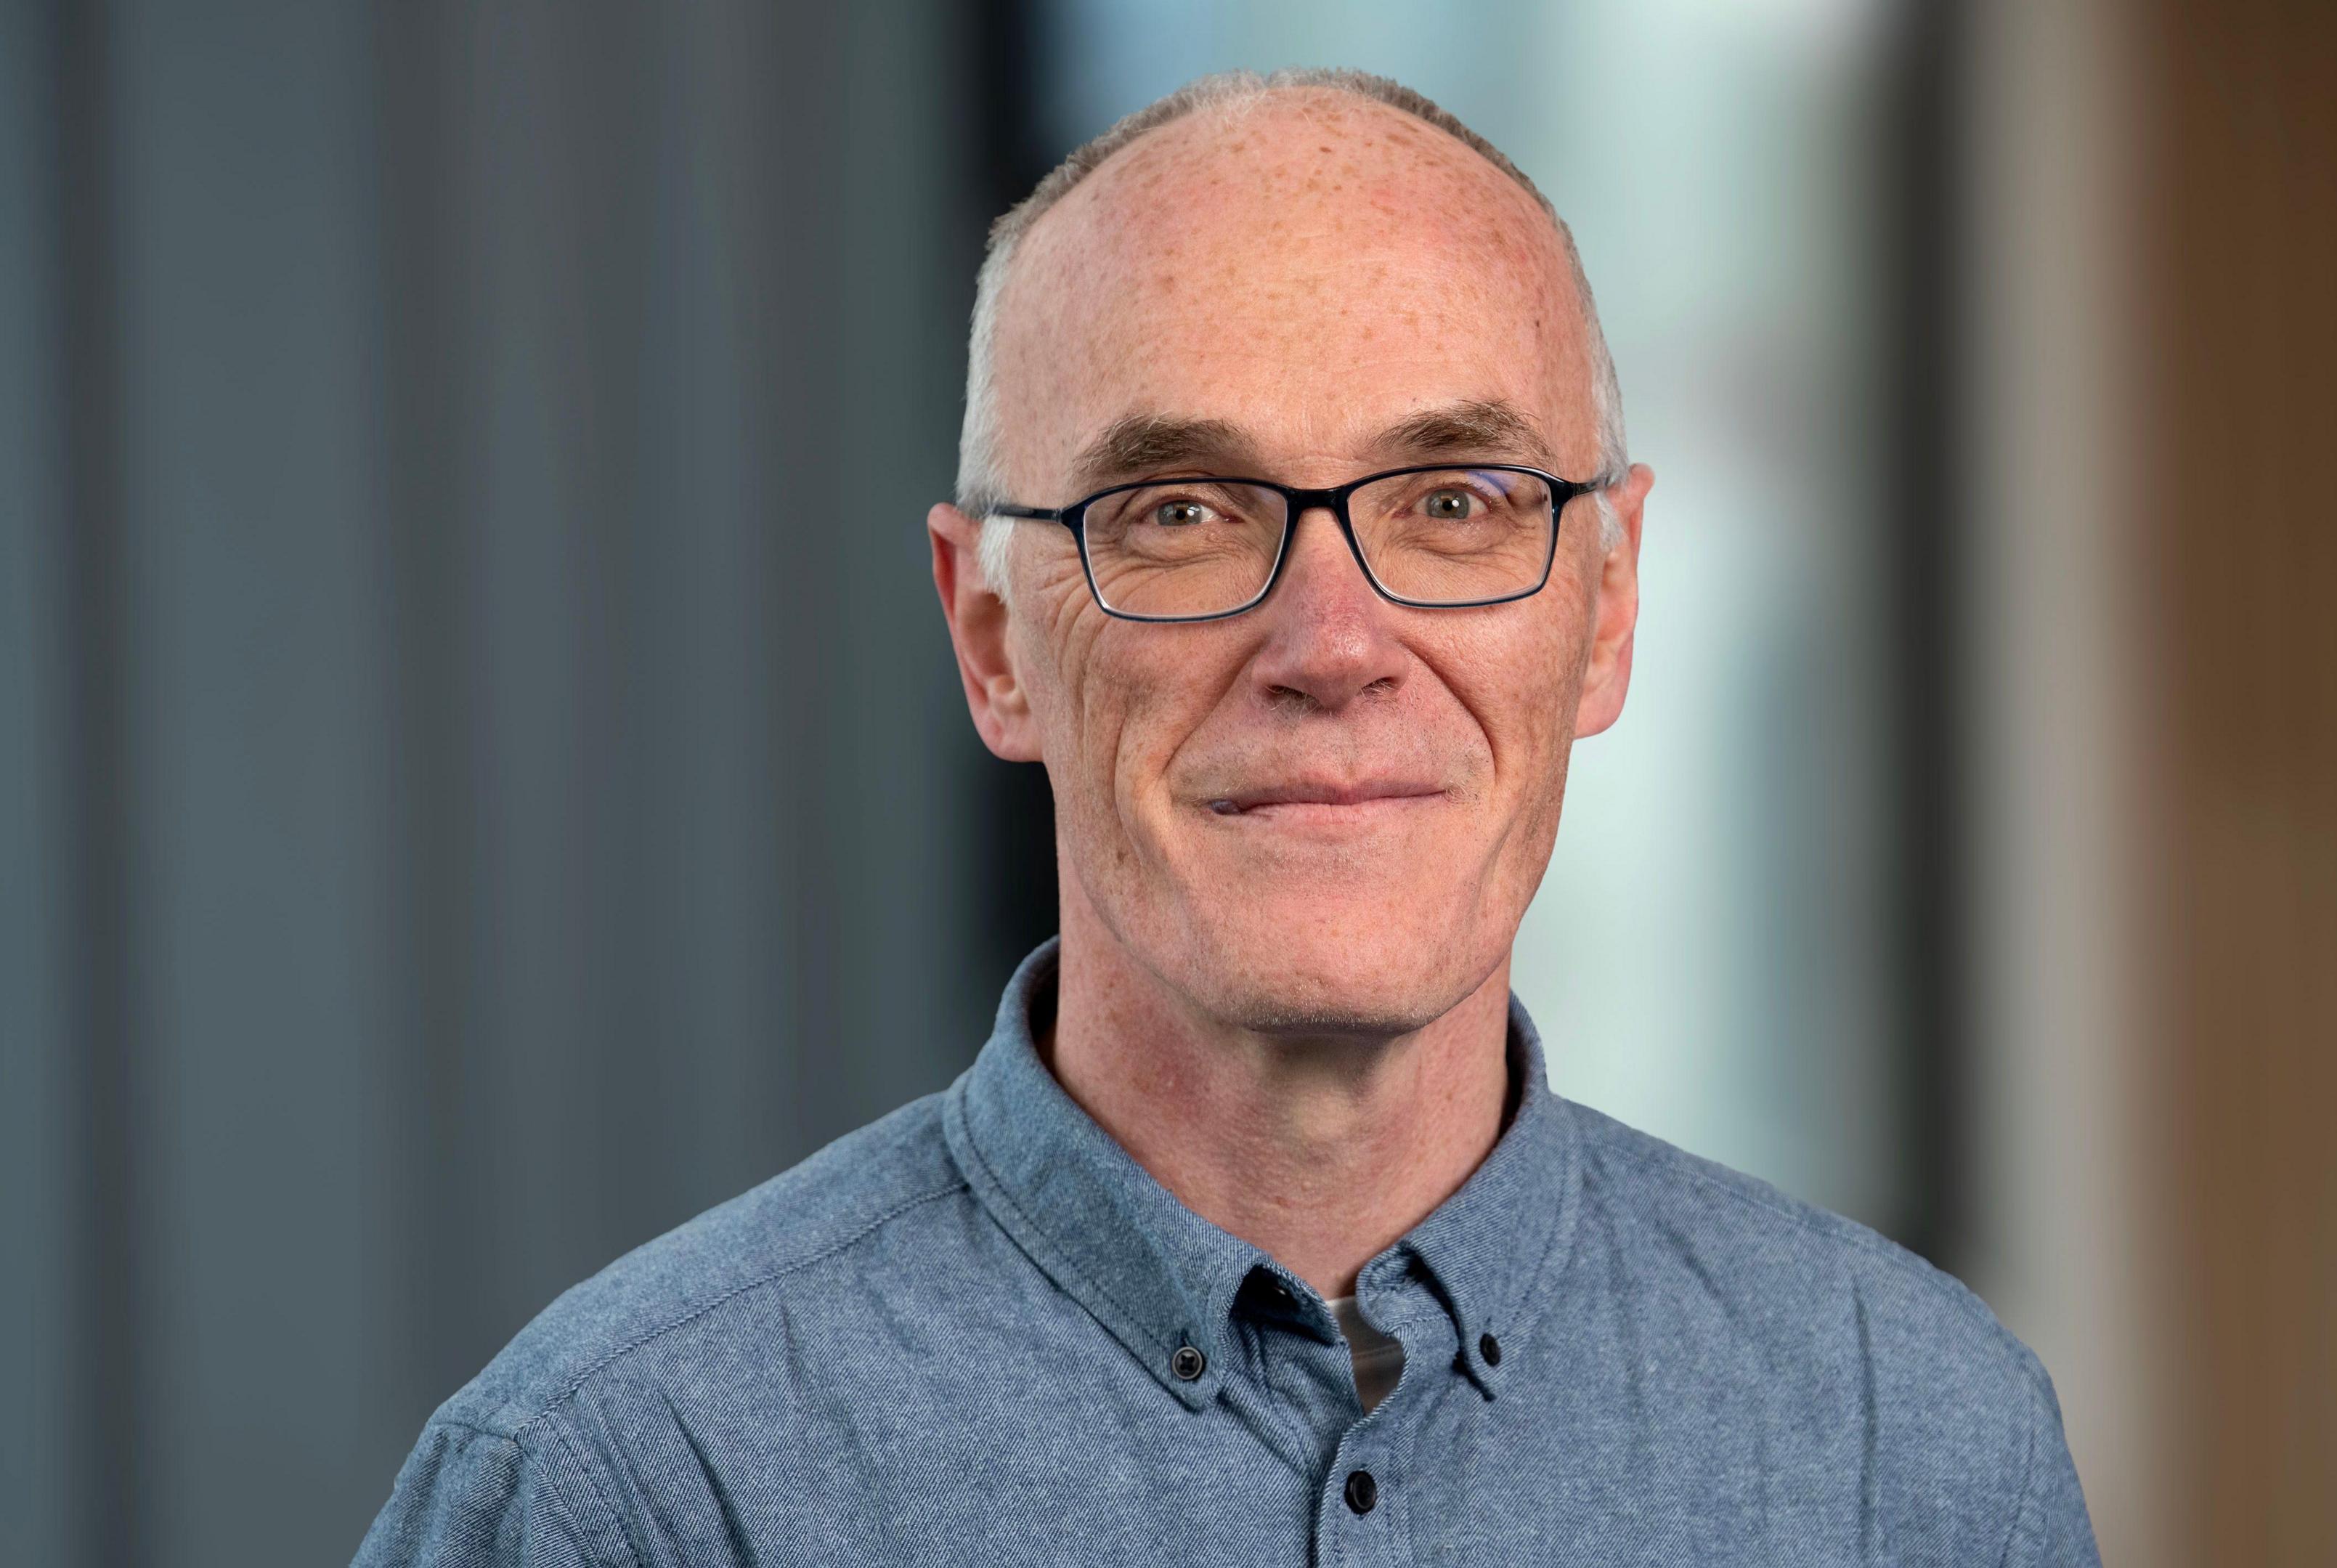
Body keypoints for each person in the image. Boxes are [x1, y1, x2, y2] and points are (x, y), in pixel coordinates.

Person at [354, 68, 2098, 1566]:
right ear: (993, 641)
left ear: (1611, 605)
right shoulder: (628, 1492)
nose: (1333, 645)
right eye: (1181, 511)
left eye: (1457, 501)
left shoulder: (1912, 1453)